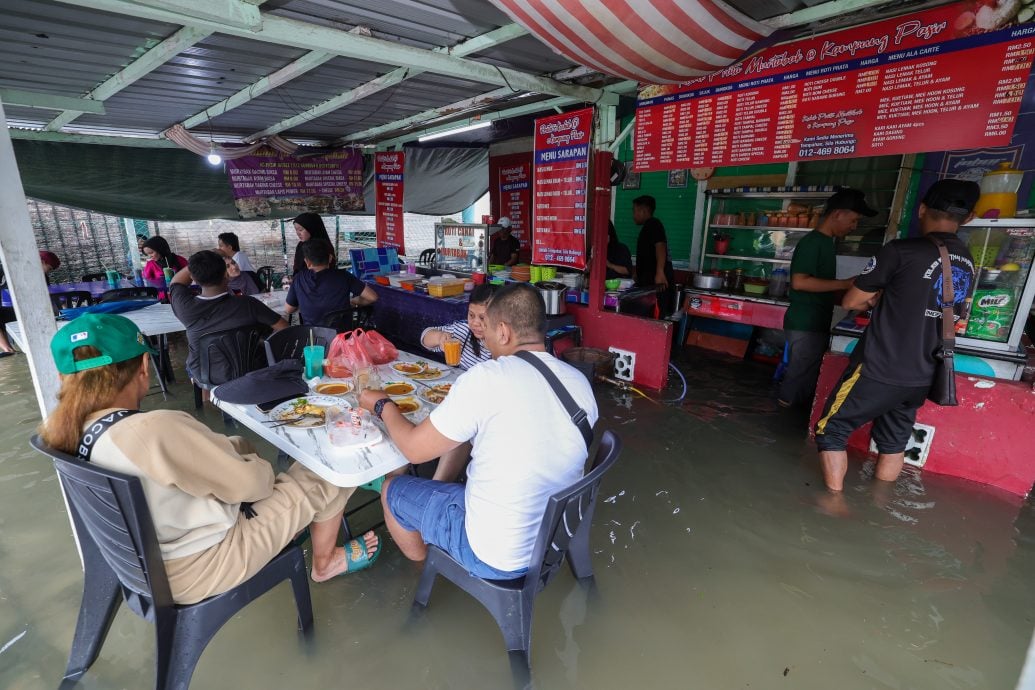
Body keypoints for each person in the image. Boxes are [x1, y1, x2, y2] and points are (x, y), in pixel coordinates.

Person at [38, 313, 380, 604]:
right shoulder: (153, 429)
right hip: (202, 566)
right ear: (144, 366)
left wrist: (232, 451)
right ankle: (325, 562)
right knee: (330, 471)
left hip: (140, 565)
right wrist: (250, 459)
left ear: (62, 379)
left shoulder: (64, 433)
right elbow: (258, 486)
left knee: (246, 456)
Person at [357, 282, 599, 578]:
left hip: (496, 555)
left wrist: (383, 405)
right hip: (553, 539)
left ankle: (429, 565)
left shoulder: (487, 378)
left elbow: (413, 450)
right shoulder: (579, 382)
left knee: (390, 489)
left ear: (504, 332)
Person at [814, 179, 980, 495]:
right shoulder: (967, 261)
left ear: (921, 210)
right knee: (893, 442)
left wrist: (874, 298)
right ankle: (880, 504)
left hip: (880, 367)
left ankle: (833, 506)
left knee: (832, 431)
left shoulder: (901, 250)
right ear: (968, 218)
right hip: (922, 373)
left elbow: (851, 301)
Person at [777, 188, 876, 408]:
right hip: (805, 321)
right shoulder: (813, 242)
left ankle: (793, 418)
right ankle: (781, 420)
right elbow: (800, 282)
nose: (854, 226)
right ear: (838, 214)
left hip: (815, 320)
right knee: (798, 375)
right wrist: (845, 284)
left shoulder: (826, 243)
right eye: (853, 220)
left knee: (807, 373)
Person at [169, 250, 288, 386]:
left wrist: (197, 265)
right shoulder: (248, 303)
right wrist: (261, 342)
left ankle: (210, 400)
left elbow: (176, 282)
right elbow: (284, 329)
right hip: (251, 370)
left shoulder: (185, 307)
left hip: (206, 375)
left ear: (194, 279)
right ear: (226, 275)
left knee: (194, 363)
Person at [284, 239, 377, 329]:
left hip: (314, 339)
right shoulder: (344, 276)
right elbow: (373, 297)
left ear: (307, 262)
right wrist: (353, 301)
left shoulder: (299, 278)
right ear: (330, 258)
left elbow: (289, 309)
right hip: (343, 338)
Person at [420, 283, 495, 371]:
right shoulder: (463, 331)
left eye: (482, 318)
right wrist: (439, 337)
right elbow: (425, 337)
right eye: (471, 315)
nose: (475, 323)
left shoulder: (506, 349)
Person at [632, 195, 675, 315]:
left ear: (643, 211)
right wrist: (637, 271)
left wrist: (660, 271)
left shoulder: (653, 224)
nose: (633, 215)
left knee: (657, 314)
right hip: (651, 282)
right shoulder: (648, 227)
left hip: (658, 283)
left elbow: (660, 246)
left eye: (634, 211)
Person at [291, 212, 332, 276]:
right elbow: (297, 268)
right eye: (296, 230)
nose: (298, 233)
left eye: (300, 230)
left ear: (311, 228)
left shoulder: (323, 247)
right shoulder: (300, 245)